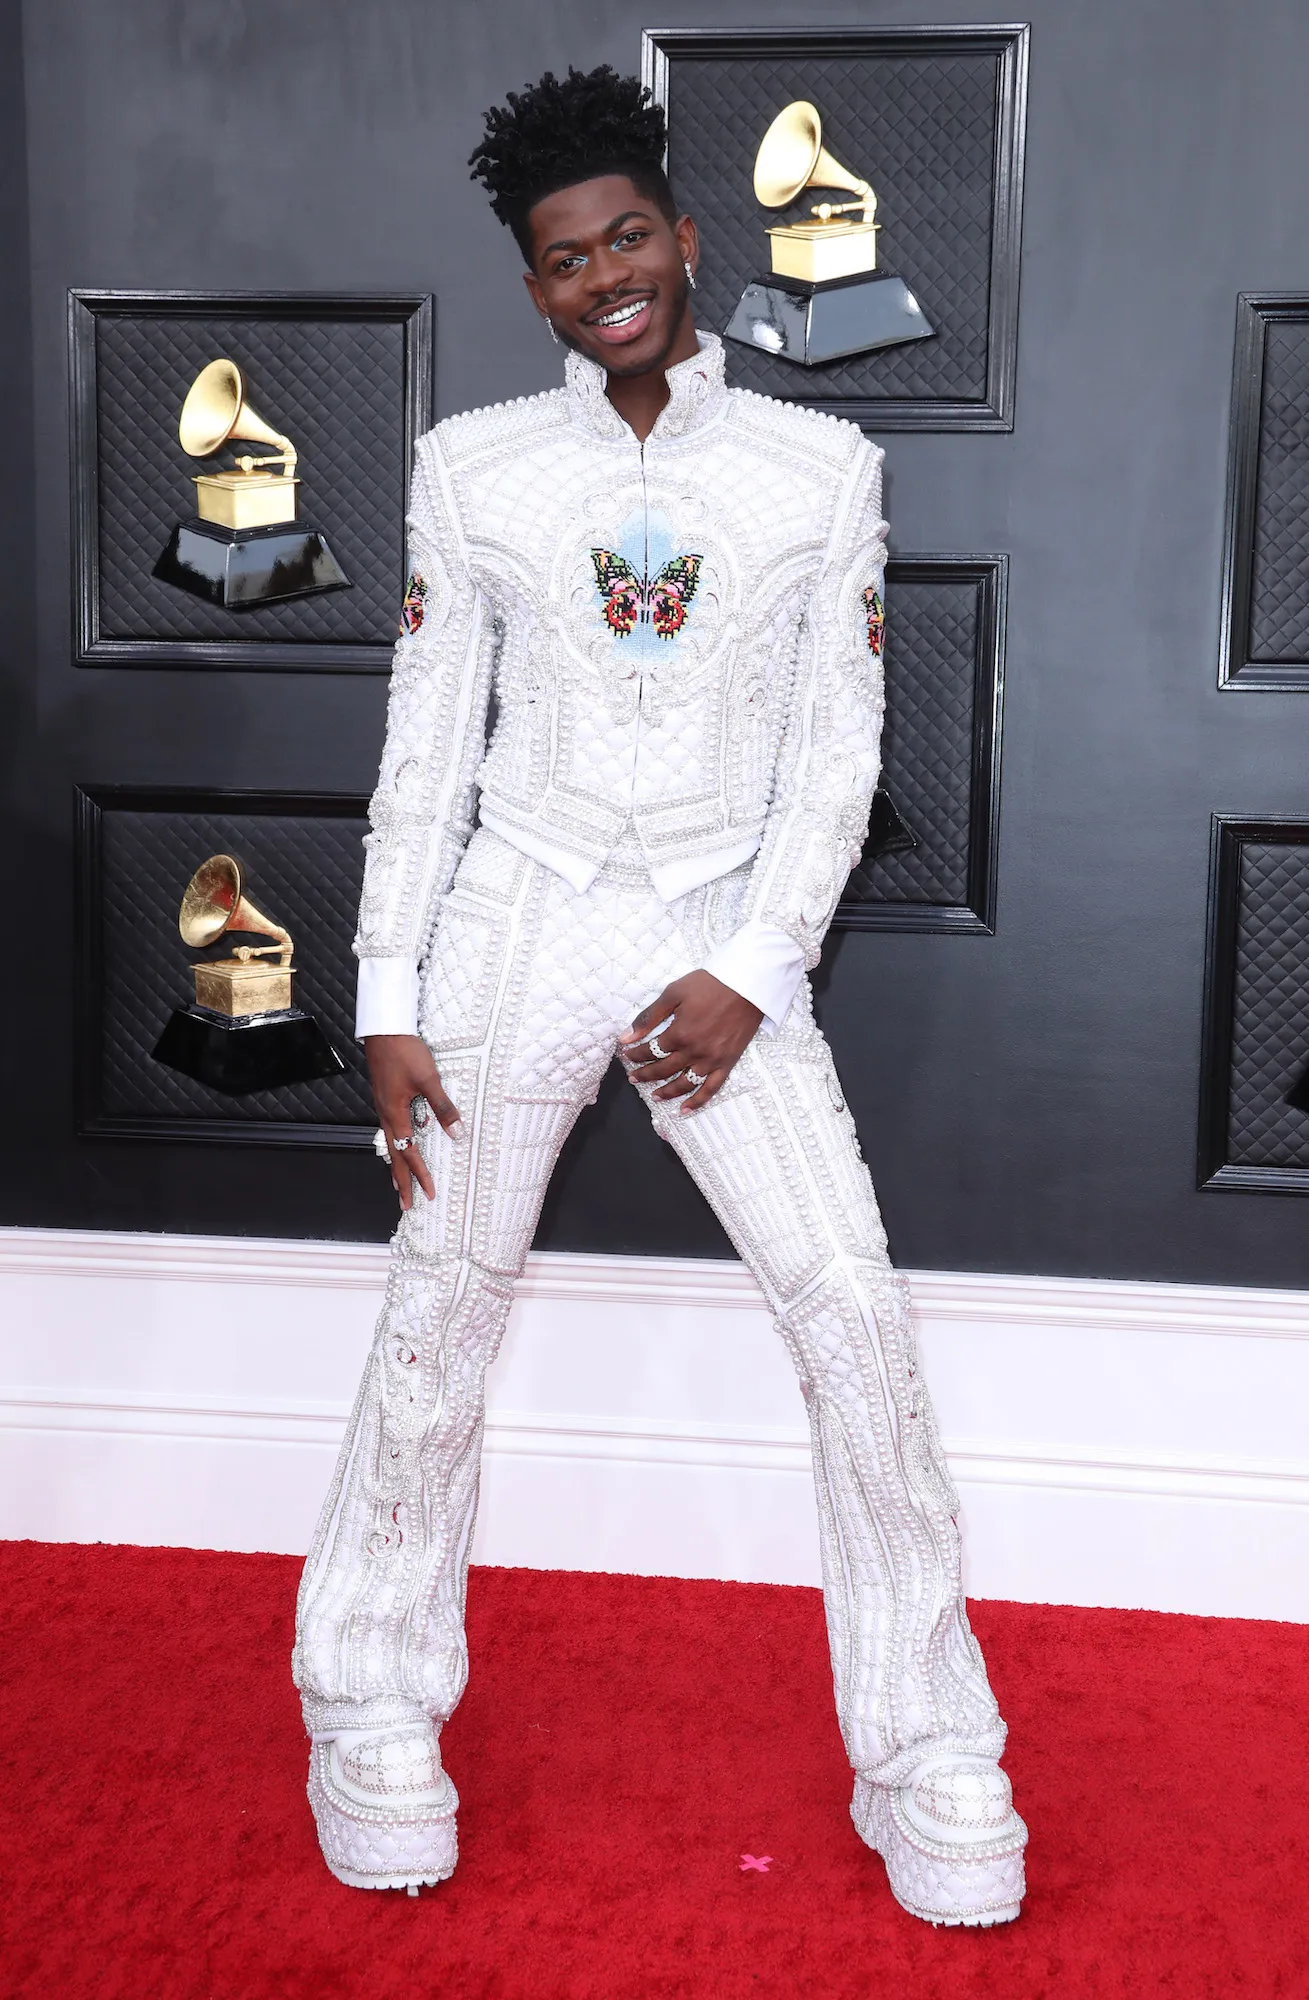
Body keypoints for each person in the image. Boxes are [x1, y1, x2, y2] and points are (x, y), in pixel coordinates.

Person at [292, 64, 1027, 1927]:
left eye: (627, 238)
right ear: (532, 285)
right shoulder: (472, 468)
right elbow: (423, 748)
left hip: (718, 933)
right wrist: (388, 995)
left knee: (851, 1310)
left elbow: (840, 757)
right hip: (515, 917)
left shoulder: (819, 470)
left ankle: (929, 1745)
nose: (603, 277)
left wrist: (756, 969)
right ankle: (369, 1703)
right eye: (564, 258)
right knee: (440, 1313)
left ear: (688, 242)